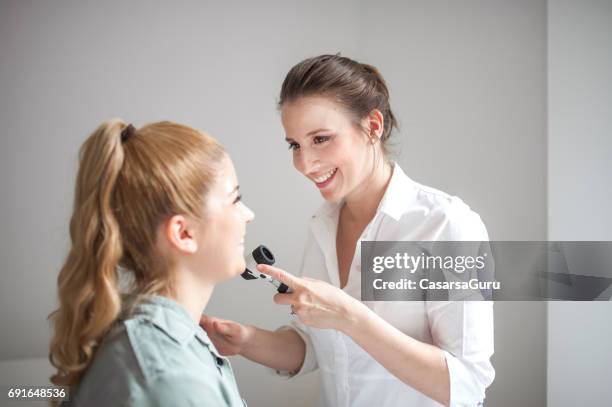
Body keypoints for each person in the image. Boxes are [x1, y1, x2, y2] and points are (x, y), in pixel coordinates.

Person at [200, 55, 495, 407]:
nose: (305, 164)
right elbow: (317, 348)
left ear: (372, 126)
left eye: (321, 139)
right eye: (295, 145)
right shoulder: (322, 226)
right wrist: (245, 340)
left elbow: (467, 385)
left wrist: (351, 318)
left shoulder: (446, 226)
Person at [48, 119, 253, 406]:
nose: (248, 214)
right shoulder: (171, 379)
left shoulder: (150, 339)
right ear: (183, 233)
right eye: (235, 199)